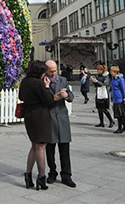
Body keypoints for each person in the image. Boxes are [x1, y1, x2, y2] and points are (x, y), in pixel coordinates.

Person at [19, 60, 55, 191]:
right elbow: (49, 101)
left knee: (34, 146)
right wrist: (46, 87)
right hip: (40, 116)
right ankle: (41, 177)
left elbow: (21, 97)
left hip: (29, 115)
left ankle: (28, 176)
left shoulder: (24, 81)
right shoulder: (39, 83)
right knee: (40, 148)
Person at [45, 60, 76, 188]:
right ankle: (52, 172)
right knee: (50, 149)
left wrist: (67, 95)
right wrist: (53, 97)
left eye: (55, 70)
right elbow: (41, 100)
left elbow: (72, 96)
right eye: (51, 71)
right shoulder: (43, 81)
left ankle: (66, 175)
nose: (53, 73)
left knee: (65, 149)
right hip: (49, 118)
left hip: (62, 117)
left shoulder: (62, 80)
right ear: (46, 71)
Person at [109, 66, 125, 134]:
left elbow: (124, 89)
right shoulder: (113, 79)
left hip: (120, 99)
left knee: (120, 114)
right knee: (118, 114)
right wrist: (111, 97)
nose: (111, 73)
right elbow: (112, 89)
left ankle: (120, 128)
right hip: (115, 98)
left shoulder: (120, 79)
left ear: (115, 72)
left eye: (111, 71)